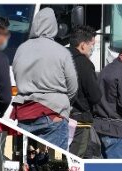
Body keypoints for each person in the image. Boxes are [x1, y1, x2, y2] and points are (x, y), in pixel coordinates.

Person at [11, 8, 78, 150]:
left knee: (23, 160)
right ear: (54, 26)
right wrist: (61, 107)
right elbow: (73, 86)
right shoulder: (62, 51)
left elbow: (17, 76)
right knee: (53, 163)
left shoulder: (21, 49)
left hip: (24, 114)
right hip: (53, 114)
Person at [68, 25, 103, 158]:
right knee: (76, 156)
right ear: (83, 45)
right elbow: (94, 95)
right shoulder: (84, 63)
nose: (92, 48)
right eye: (92, 45)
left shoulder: (60, 58)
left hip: (61, 117)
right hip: (80, 119)